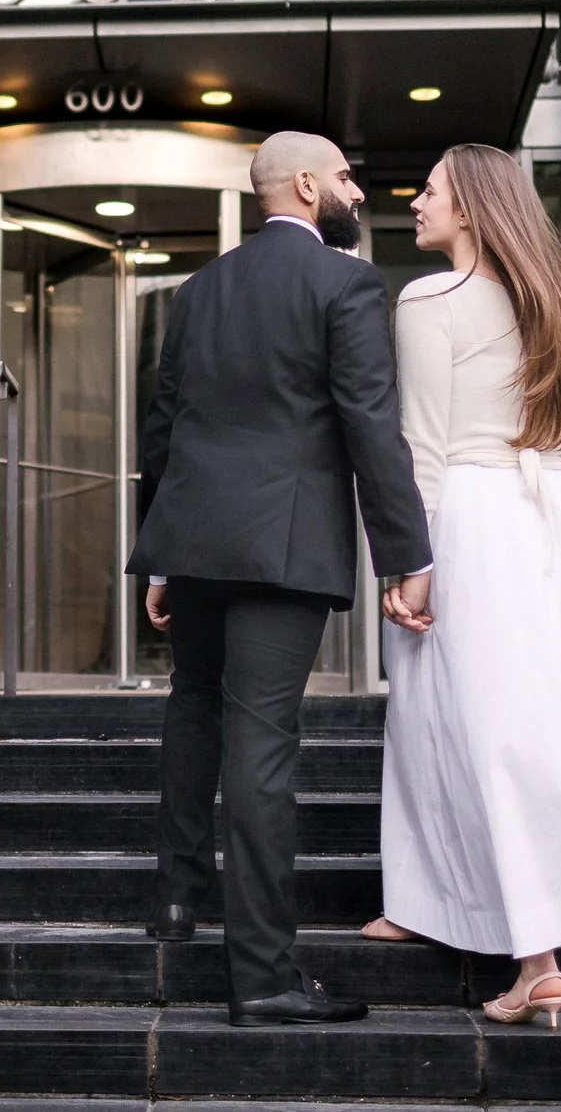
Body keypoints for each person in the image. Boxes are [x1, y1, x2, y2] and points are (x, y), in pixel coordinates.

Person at [129, 130, 433, 1027]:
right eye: (344, 176)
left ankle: (176, 899)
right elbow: (370, 424)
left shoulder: (200, 289)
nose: (356, 190)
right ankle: (262, 974)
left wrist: (160, 553)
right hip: (282, 546)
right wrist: (408, 554)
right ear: (305, 185)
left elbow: (164, 426)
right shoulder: (346, 283)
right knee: (261, 744)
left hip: (194, 540)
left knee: (194, 708)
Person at [367, 143, 561, 1027]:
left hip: (474, 513)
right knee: (537, 721)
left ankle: (537, 958)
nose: (416, 199)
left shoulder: (427, 298)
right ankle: (428, 901)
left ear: (472, 207)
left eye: (430, 188)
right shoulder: (548, 304)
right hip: (556, 523)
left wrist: (413, 561)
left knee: (463, 720)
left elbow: (422, 441)